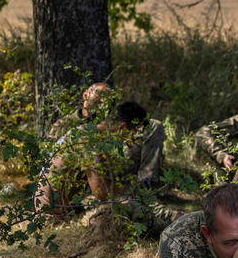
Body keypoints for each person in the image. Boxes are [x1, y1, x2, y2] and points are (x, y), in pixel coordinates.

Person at [34, 83, 176, 232]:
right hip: (54, 217)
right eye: (133, 135)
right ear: (122, 128)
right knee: (132, 210)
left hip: (64, 208)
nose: (132, 142)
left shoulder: (88, 134)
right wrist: (130, 190)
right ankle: (174, 226)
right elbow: (102, 192)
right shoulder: (90, 141)